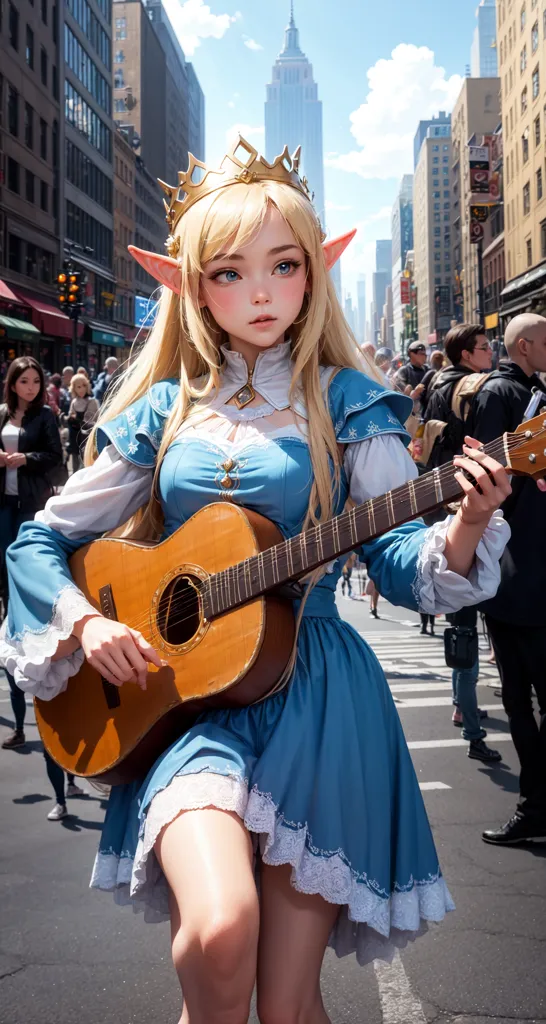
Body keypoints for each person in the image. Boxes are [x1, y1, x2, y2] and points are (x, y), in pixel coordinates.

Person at [0, 136, 512, 1021]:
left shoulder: (351, 403)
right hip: (185, 701)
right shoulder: (163, 410)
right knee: (217, 933)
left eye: (283, 265)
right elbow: (37, 542)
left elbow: (397, 565)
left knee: (286, 1004)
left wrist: (467, 520)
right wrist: (88, 626)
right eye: (231, 273)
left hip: (319, 701)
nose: (262, 293)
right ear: (193, 286)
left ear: (315, 272)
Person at [467, 313, 546, 845]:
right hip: (515, 565)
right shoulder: (500, 394)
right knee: (519, 696)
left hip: (525, 567)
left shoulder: (529, 390)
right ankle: (535, 803)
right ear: (524, 346)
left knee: (524, 697)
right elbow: (483, 479)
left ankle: (536, 802)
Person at [0, 356, 62, 748]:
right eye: (25, 382)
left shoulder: (46, 418)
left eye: (36, 382)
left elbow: (55, 459)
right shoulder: (2, 413)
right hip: (2, 506)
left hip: (29, 505)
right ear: (12, 384)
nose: (31, 388)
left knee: (21, 572)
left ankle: (24, 619)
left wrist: (26, 459)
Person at [422, 324, 492, 468]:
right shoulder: (480, 387)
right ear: (466, 355)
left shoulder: (439, 382)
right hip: (472, 472)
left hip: (444, 471)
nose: (490, 351)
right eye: (484, 347)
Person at [446, 607, 500, 765]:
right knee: (467, 673)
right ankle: (473, 736)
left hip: (459, 613)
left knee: (462, 667)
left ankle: (460, 710)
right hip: (463, 614)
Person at [65, 373, 100, 474]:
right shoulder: (74, 401)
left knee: (87, 463)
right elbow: (70, 415)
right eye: (78, 387)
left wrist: (76, 418)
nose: (81, 389)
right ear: (74, 388)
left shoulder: (92, 401)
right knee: (75, 462)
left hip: (87, 437)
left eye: (84, 386)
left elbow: (92, 421)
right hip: (75, 436)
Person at [419, 349, 445, 415]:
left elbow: (421, 391)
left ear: (431, 360)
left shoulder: (430, 373)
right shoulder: (446, 373)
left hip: (429, 411)